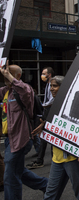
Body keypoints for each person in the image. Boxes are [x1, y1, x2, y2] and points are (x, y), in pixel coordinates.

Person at [32, 76, 79, 200]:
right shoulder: (49, 107)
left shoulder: (73, 106)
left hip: (73, 157)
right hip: (57, 158)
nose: (52, 89)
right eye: (51, 86)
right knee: (50, 195)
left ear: (63, 87)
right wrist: (44, 126)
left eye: (55, 86)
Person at [0, 61, 48, 199]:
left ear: (18, 75)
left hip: (21, 139)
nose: (5, 78)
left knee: (10, 175)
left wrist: (9, 76)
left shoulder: (24, 90)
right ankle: (47, 185)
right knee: (17, 170)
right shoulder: (6, 92)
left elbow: (24, 89)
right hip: (9, 139)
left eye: (8, 75)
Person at [27, 67, 54, 169]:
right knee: (43, 137)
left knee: (50, 137)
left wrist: (43, 105)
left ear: (49, 75)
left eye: (44, 73)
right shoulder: (47, 85)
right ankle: (40, 160)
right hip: (46, 113)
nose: (42, 75)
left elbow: (52, 100)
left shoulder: (52, 85)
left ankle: (51, 160)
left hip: (50, 113)